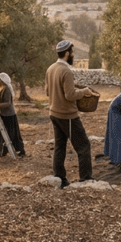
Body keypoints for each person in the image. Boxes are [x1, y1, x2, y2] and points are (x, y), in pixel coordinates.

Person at [45, 40, 98, 187]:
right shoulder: (66, 71)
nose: (73, 55)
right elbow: (70, 95)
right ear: (67, 53)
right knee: (84, 146)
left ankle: (60, 178)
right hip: (67, 115)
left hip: (54, 113)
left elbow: (47, 91)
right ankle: (86, 178)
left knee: (59, 146)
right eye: (72, 53)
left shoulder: (51, 68)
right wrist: (84, 91)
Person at [0, 72, 26, 158]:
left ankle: (21, 151)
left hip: (9, 115)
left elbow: (7, 103)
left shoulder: (6, 89)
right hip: (4, 114)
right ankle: (2, 151)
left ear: (1, 80)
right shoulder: (1, 88)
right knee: (2, 133)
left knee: (13, 134)